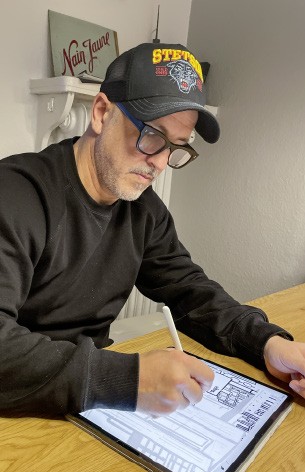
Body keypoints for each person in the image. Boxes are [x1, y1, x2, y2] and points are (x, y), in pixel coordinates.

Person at [0, 42, 304, 418]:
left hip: (82, 409)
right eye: (151, 134)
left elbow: (192, 293)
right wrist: (127, 378)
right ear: (101, 112)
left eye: (176, 147)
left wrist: (267, 343)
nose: (159, 162)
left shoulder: (143, 211)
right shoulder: (16, 194)